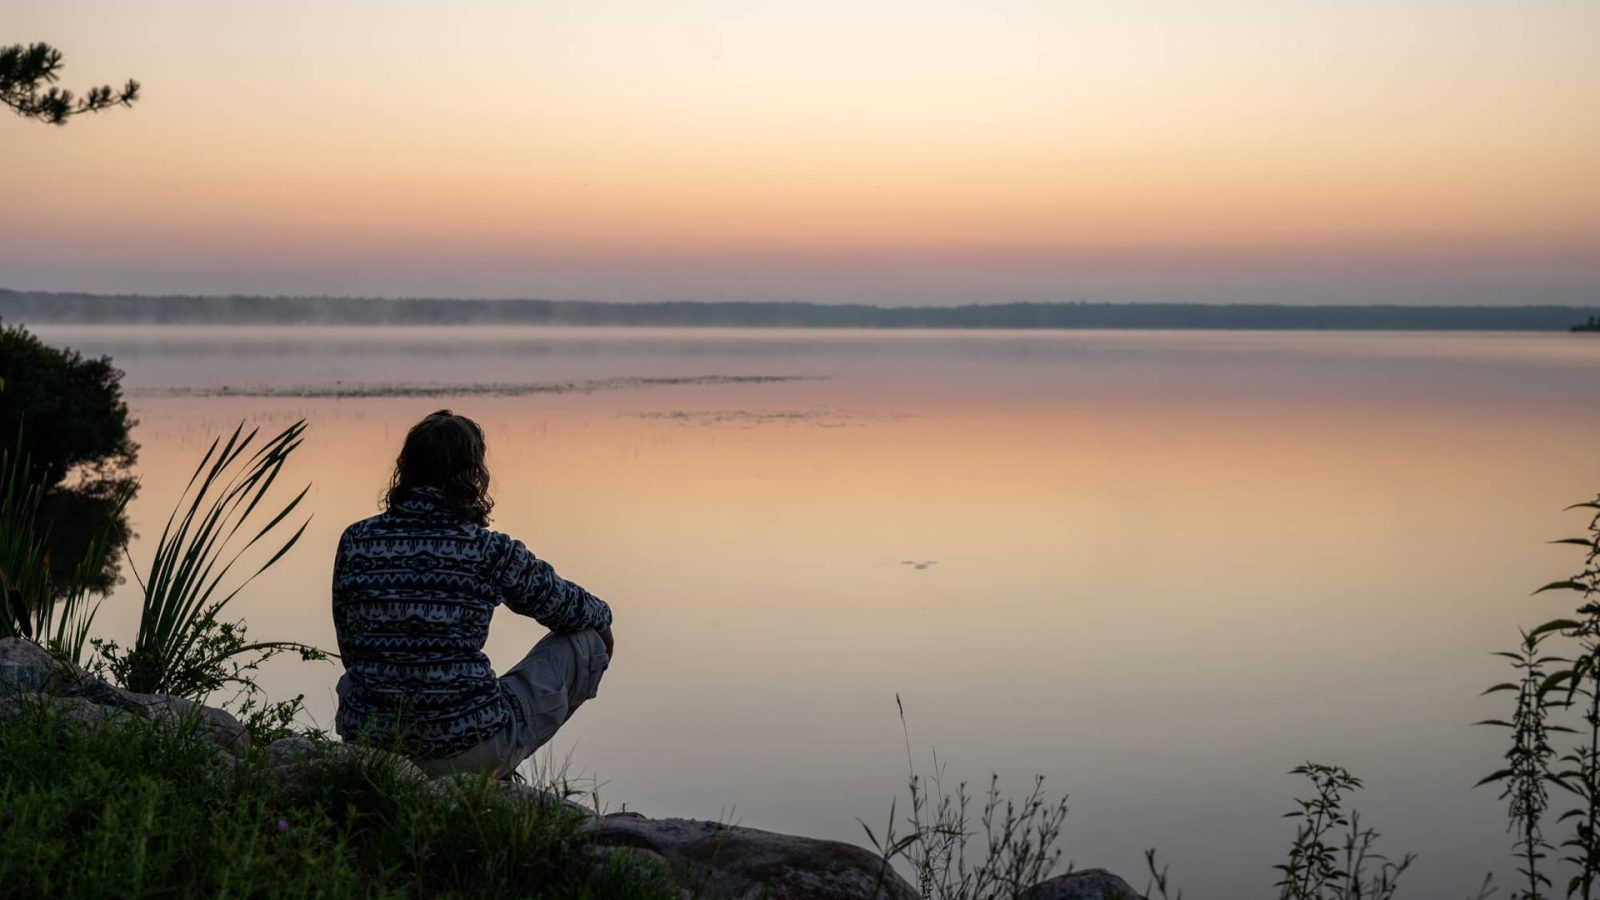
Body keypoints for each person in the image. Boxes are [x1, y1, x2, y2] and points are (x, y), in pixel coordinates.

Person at [331, 409, 613, 778]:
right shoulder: (487, 549)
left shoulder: (356, 541)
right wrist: (605, 621)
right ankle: (494, 769)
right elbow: (574, 610)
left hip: (372, 744)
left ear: (406, 469)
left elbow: (350, 647)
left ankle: (424, 765)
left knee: (360, 673)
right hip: (467, 746)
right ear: (472, 476)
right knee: (589, 640)